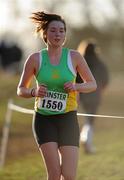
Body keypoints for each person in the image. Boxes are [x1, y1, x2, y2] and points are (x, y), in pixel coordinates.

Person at [17, 11, 97, 180]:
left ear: (65, 34)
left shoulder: (74, 57)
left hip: (67, 118)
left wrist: (76, 86)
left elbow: (92, 84)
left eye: (61, 30)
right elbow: (20, 89)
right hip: (44, 119)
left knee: (68, 175)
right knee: (54, 174)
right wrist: (33, 92)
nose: (58, 34)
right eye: (53, 30)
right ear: (45, 33)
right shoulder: (35, 59)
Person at [76, 40, 109, 154]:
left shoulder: (80, 62)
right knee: (90, 120)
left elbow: (76, 79)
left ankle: (84, 138)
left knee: (86, 118)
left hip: (82, 95)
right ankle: (86, 139)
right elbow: (105, 81)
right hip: (95, 95)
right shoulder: (100, 63)